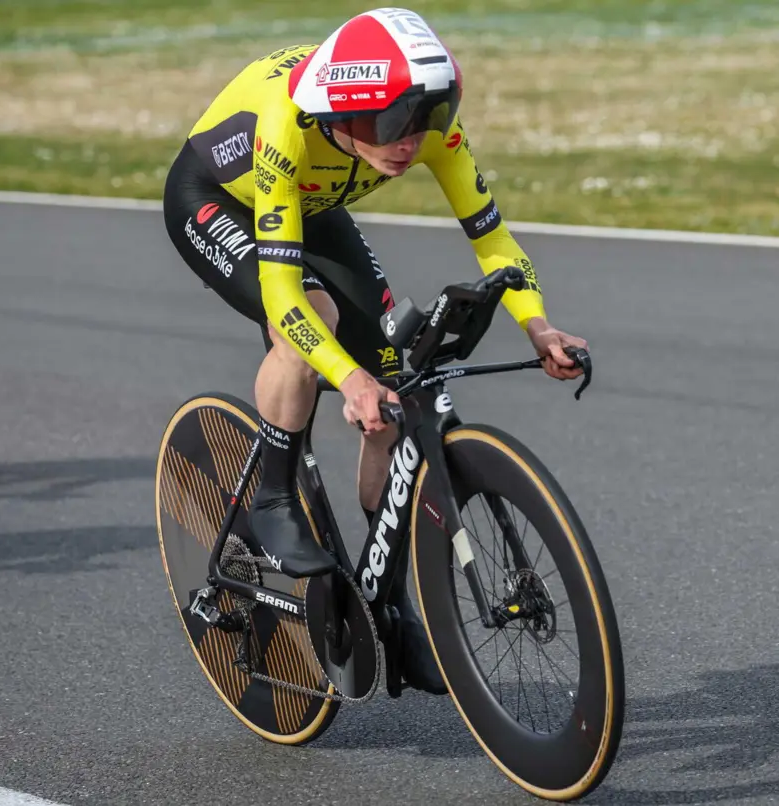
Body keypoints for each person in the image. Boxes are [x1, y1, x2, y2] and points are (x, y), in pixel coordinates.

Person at [162, 7, 588, 695]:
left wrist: (538, 327)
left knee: (394, 382)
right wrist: (347, 377)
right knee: (313, 323)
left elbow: (492, 239)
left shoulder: (425, 131)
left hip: (312, 202)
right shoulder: (286, 127)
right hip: (215, 199)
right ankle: (273, 497)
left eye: (425, 119)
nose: (410, 142)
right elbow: (284, 297)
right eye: (392, 124)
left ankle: (389, 604)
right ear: (341, 114)